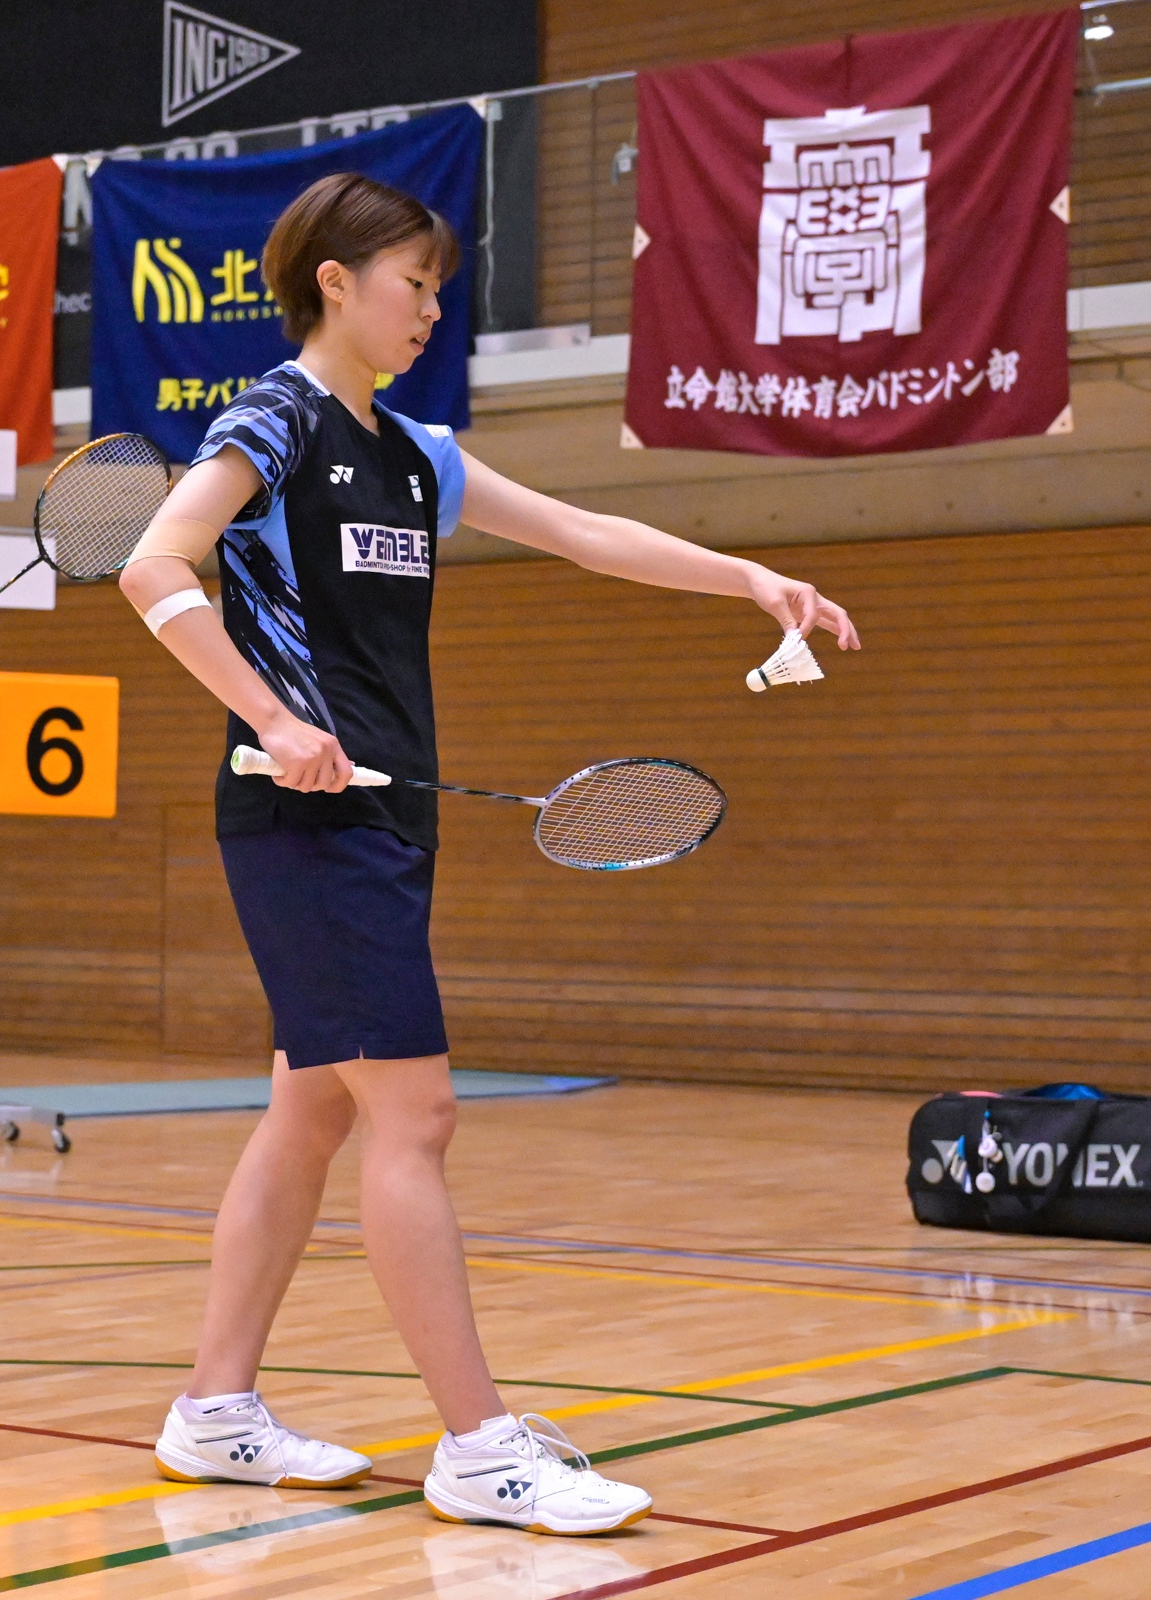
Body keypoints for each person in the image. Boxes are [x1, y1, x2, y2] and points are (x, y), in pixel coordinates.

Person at [118, 173, 859, 1535]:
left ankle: (213, 1409)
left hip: (385, 813)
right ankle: (475, 1445)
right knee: (415, 1115)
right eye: (412, 283)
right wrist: (271, 717)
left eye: (435, 289)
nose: (428, 310)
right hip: (303, 818)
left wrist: (747, 577)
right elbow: (153, 567)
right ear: (334, 281)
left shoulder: (414, 455)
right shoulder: (273, 420)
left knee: (313, 1110)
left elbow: (584, 535)